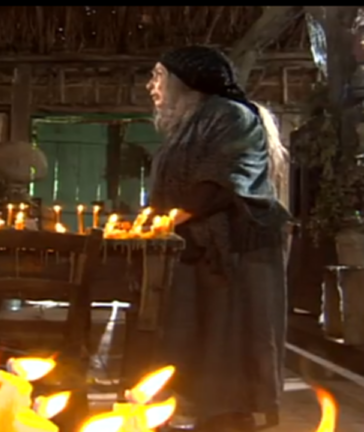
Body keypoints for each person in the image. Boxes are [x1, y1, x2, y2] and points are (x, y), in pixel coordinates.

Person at [145, 46, 290, 431]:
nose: (151, 86)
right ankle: (193, 410)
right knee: (192, 330)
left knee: (230, 333)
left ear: (186, 82)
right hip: (193, 242)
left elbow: (223, 179)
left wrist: (166, 221)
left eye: (158, 77)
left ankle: (230, 414)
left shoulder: (231, 116)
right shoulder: (189, 124)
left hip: (237, 245)